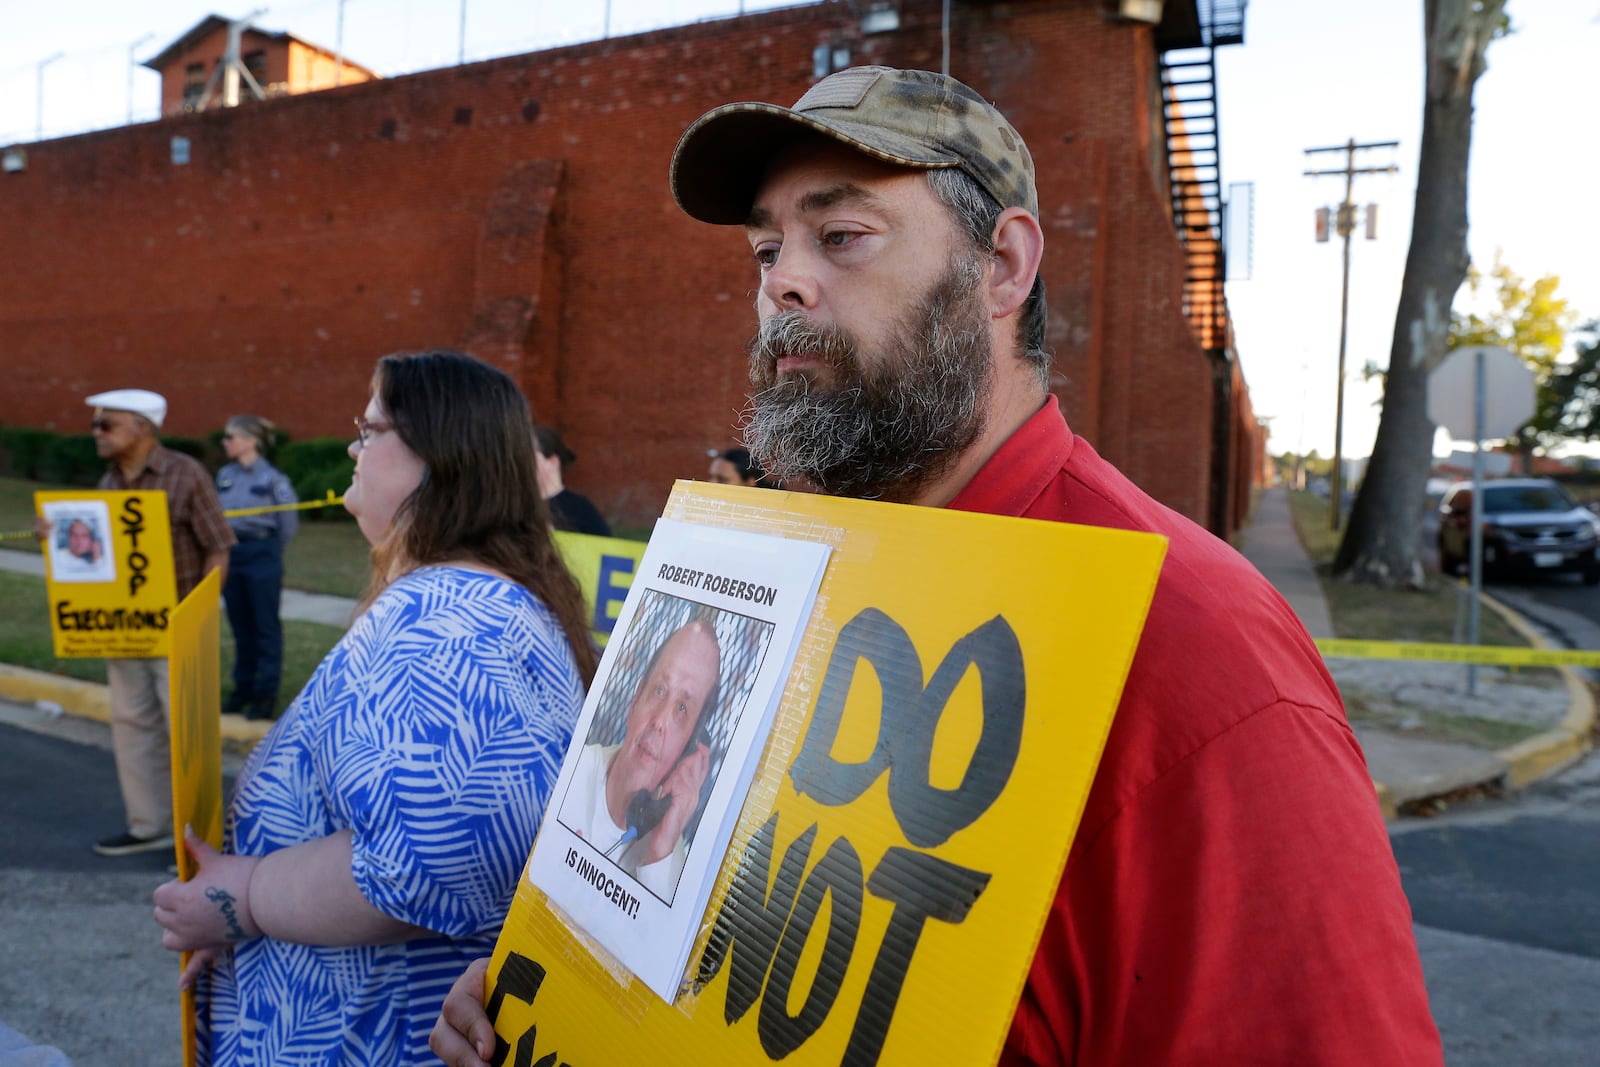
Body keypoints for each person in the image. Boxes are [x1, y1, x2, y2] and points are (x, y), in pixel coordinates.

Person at [432, 66, 1443, 1066]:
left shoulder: (1190, 649)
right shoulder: (769, 575)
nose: (781, 281)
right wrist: (553, 982)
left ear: (1001, 266)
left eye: (840, 236)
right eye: (765, 247)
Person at [152, 350, 600, 1066]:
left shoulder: (448, 617)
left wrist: (246, 895)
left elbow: (443, 849)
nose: (354, 448)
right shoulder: (467, 601)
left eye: (369, 427)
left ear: (440, 453)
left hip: (373, 1035)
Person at [34, 388, 235, 857]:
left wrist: (199, 617)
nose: (96, 434)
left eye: (107, 425)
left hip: (178, 629)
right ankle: (150, 825)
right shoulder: (109, 483)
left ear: (142, 429)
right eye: (95, 426)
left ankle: (202, 843)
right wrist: (56, 534)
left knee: (187, 732)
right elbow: (96, 558)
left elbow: (219, 547)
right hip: (125, 628)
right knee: (132, 725)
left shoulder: (185, 474)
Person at [559, 619, 720, 900]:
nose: (660, 721)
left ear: (690, 750)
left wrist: (659, 855)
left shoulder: (674, 873)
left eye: (682, 708)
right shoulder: (568, 771)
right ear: (635, 702)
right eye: (659, 690)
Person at [214, 414, 299, 721]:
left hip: (262, 553)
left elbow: (288, 522)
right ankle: (243, 690)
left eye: (231, 437)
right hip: (232, 552)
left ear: (251, 441)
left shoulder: (273, 480)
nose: (226, 443)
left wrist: (270, 551)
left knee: (265, 627)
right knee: (240, 626)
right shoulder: (225, 475)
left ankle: (265, 695)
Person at [533, 424, 612, 536]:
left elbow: (605, 549)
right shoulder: (517, 507)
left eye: (530, 457)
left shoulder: (581, 509)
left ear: (552, 462)